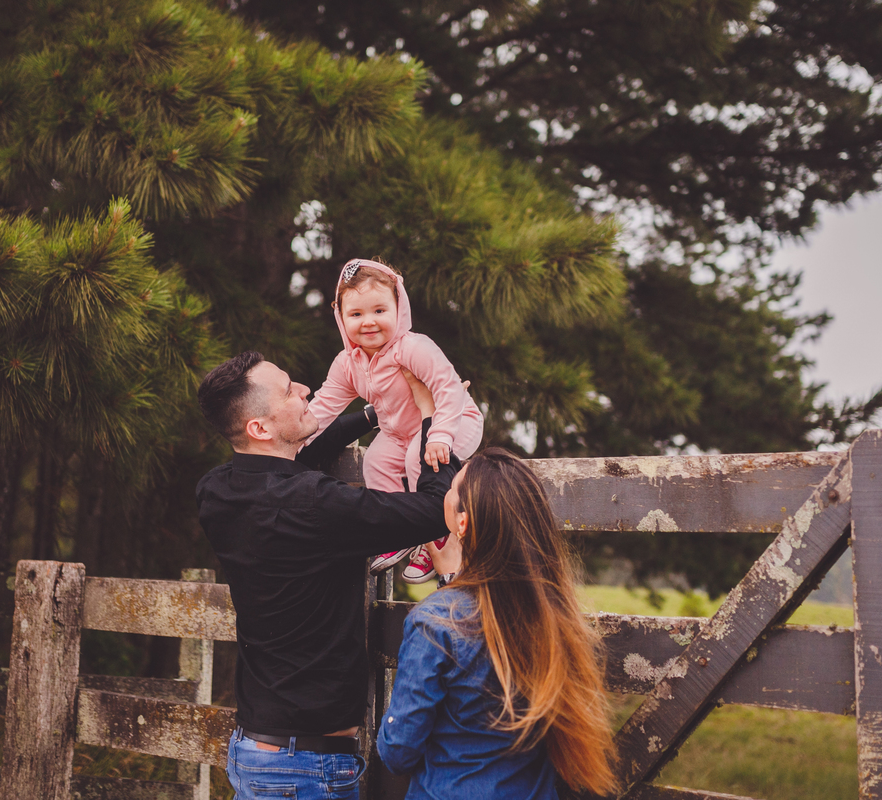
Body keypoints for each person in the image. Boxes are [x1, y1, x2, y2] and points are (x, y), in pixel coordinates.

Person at [195, 350, 461, 800]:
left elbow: (295, 464)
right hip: (303, 770)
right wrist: (433, 418)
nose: (305, 390)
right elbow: (437, 509)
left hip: (257, 751)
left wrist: (378, 412)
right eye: (288, 391)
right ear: (259, 428)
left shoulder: (216, 490)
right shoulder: (314, 503)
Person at [377, 448, 619, 799]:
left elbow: (398, 752)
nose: (446, 489)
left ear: (462, 522)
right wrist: (452, 582)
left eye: (452, 487)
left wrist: (450, 588)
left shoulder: (435, 622)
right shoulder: (556, 616)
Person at [308, 258, 484, 583]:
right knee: (375, 462)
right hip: (398, 433)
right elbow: (323, 406)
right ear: (340, 317)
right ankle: (397, 532)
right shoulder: (348, 363)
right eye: (356, 314)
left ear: (399, 309)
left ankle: (436, 539)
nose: (369, 322)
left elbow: (449, 388)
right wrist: (295, 438)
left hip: (453, 422)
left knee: (419, 459)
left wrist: (440, 435)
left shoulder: (413, 348)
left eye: (379, 310)